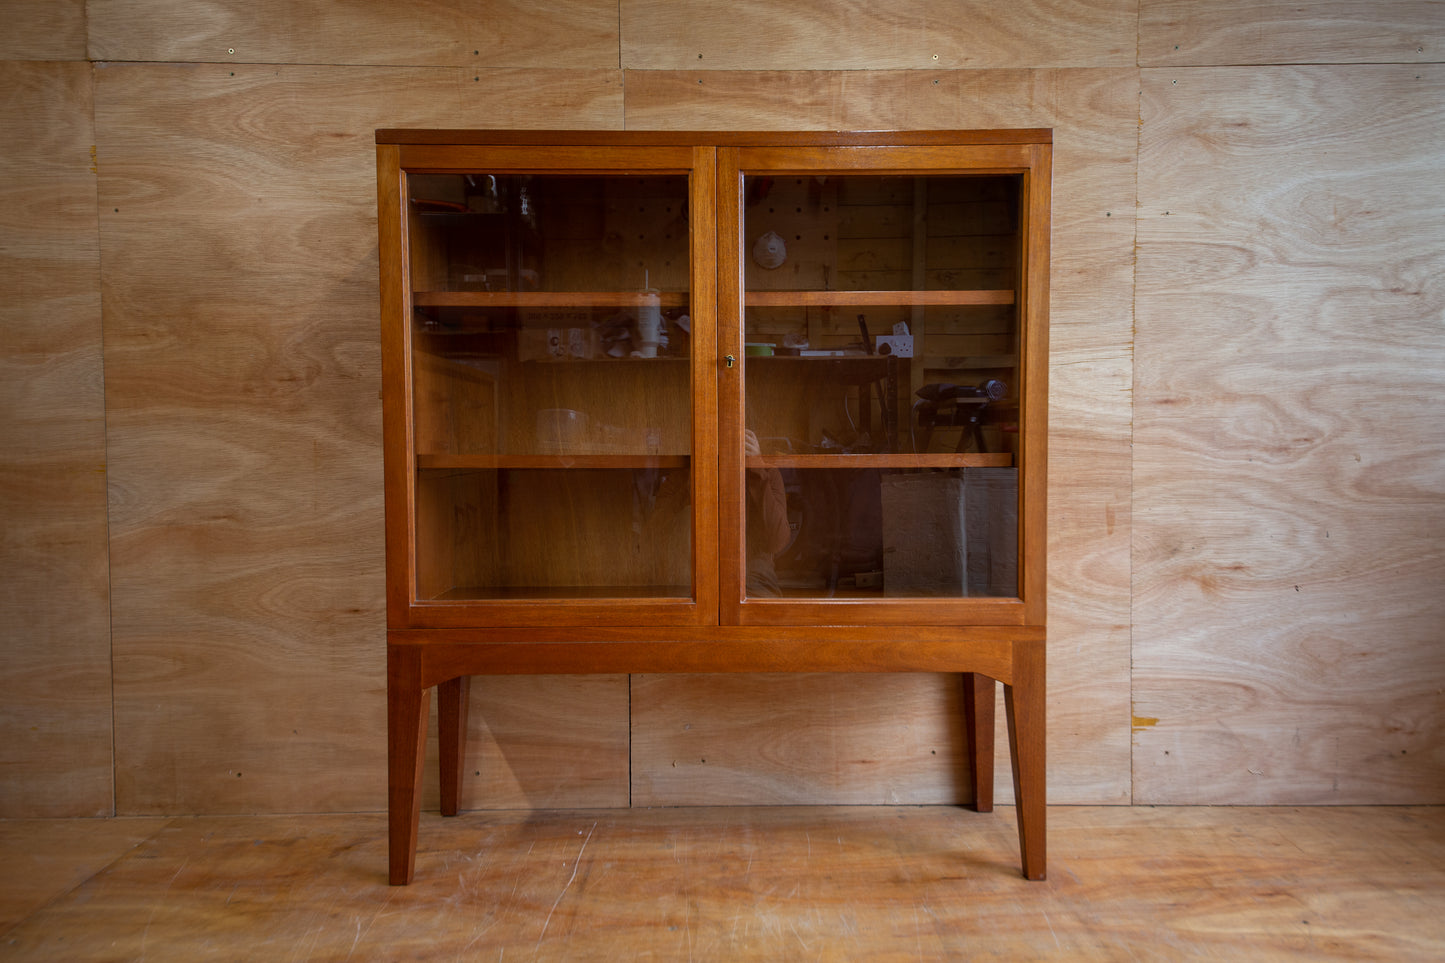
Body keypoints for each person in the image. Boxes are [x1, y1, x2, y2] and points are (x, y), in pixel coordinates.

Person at [744, 429, 791, 596]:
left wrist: (756, 468)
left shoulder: (767, 474)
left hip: (755, 581)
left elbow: (777, 540)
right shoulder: (695, 473)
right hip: (697, 579)